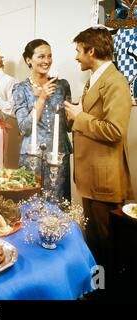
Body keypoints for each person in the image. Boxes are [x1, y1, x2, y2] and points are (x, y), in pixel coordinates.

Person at [65, 27, 134, 277]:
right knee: (93, 242)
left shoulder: (115, 81)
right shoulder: (93, 79)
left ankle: (106, 292)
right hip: (89, 177)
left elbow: (115, 130)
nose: (76, 57)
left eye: (78, 50)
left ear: (91, 51)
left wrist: (79, 117)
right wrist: (75, 115)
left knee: (106, 246)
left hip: (104, 180)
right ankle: (96, 289)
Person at [13, 39, 72, 200]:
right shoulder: (20, 89)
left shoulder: (62, 86)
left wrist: (77, 112)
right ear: (28, 60)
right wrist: (42, 98)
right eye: (41, 56)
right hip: (32, 158)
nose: (47, 61)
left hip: (58, 158)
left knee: (57, 209)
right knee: (30, 206)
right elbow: (24, 128)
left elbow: (68, 126)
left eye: (49, 56)